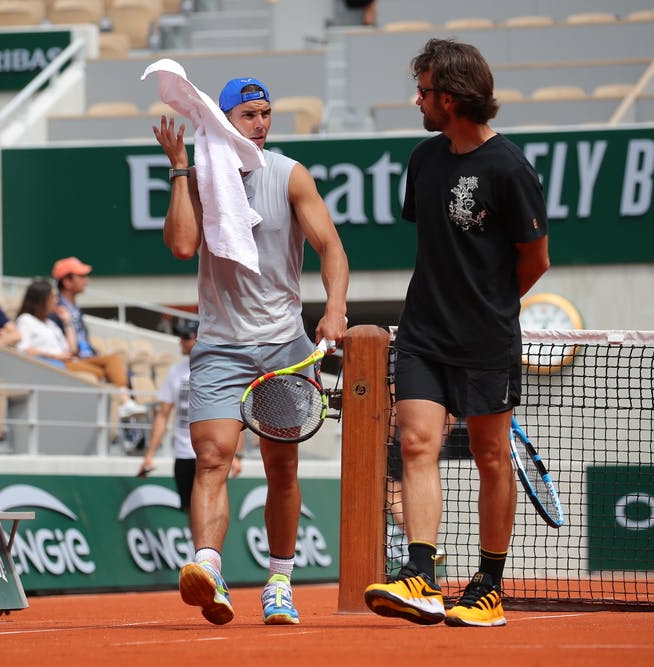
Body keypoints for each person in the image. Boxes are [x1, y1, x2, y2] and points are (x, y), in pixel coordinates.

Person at [362, 38, 550, 628]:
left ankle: (488, 586)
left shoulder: (510, 168)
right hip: (422, 333)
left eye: (422, 90)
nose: (415, 99)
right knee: (417, 443)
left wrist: (487, 310)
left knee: (492, 458)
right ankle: (422, 574)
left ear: (449, 97)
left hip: (485, 341)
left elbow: (535, 260)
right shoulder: (424, 159)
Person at [152, 75, 349, 626]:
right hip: (220, 348)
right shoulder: (202, 178)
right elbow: (183, 245)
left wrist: (334, 308)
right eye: (249, 115)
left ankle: (279, 582)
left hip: (285, 345)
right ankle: (209, 569)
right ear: (223, 121)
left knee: (281, 467)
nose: (261, 123)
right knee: (211, 459)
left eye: (266, 113)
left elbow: (331, 247)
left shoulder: (289, 175)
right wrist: (181, 169)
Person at [137, 318, 243, 514]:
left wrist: (236, 455)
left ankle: (209, 546)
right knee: (190, 510)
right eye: (180, 336)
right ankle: (200, 546)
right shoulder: (175, 372)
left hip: (213, 450)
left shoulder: (219, 370)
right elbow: (163, 415)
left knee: (212, 507)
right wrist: (150, 454)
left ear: (199, 338)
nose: (180, 341)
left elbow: (235, 413)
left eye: (186, 337)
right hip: (184, 453)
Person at [15, 279, 145, 419]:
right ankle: (123, 404)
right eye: (52, 297)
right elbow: (23, 349)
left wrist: (68, 322)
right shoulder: (25, 320)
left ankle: (126, 402)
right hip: (55, 365)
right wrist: (54, 356)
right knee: (101, 373)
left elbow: (72, 349)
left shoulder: (51, 323)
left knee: (113, 359)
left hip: (70, 360)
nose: (56, 300)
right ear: (41, 299)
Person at [50, 256, 142, 399]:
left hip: (87, 356)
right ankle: (125, 404)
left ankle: (127, 407)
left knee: (128, 373)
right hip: (72, 360)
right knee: (109, 369)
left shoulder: (76, 309)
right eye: (81, 276)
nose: (86, 281)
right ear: (67, 282)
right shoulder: (54, 310)